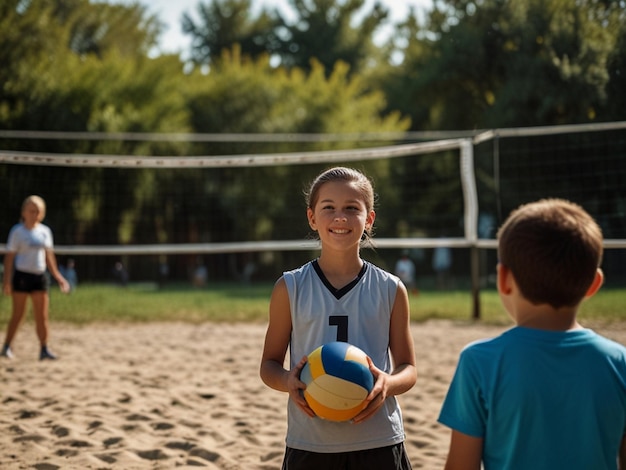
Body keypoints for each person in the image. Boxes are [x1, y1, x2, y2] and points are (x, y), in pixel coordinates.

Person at [438, 198, 626, 470]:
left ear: (503, 279)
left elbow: (460, 466)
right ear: (594, 284)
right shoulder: (619, 363)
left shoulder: (479, 361)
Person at [260, 167, 417, 469]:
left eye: (351, 208)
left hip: (379, 439)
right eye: (328, 208)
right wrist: (288, 381)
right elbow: (268, 365)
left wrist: (387, 383)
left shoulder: (390, 288)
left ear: (369, 219)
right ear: (312, 217)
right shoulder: (290, 287)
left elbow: (409, 368)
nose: (340, 217)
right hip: (310, 442)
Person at [1, 195, 70, 360]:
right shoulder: (17, 231)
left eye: (38, 211)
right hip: (22, 276)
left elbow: (49, 258)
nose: (34, 214)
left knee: (42, 316)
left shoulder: (45, 232)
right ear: (24, 212)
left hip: (39, 276)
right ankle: (7, 346)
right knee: (18, 314)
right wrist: (7, 281)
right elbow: (9, 258)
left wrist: (59, 277)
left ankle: (44, 349)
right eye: (31, 211)